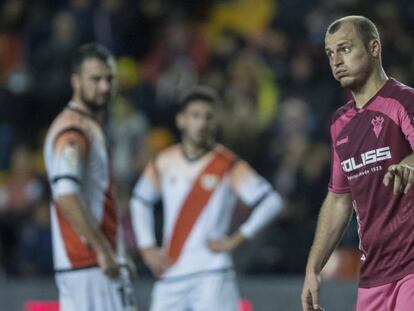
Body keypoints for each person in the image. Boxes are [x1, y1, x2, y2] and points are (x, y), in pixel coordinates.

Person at [130, 86, 283, 311]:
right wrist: (146, 247)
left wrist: (237, 238)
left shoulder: (227, 164)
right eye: (195, 116)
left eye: (208, 117)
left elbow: (272, 202)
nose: (202, 123)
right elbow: (139, 200)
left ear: (216, 122)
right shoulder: (165, 161)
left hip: (213, 272)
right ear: (181, 120)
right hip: (172, 271)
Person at [301, 15, 414, 311]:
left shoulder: (404, 101)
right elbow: (339, 200)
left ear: (374, 47)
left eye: (346, 49)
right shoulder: (340, 124)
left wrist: (409, 164)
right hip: (373, 275)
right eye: (330, 53)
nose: (336, 60)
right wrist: (313, 268)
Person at [44, 43, 137, 311]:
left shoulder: (86, 126)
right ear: (75, 81)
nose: (105, 87)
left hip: (84, 265)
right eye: (95, 79)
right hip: (90, 266)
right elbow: (65, 194)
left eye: (109, 79)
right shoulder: (73, 131)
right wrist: (104, 250)